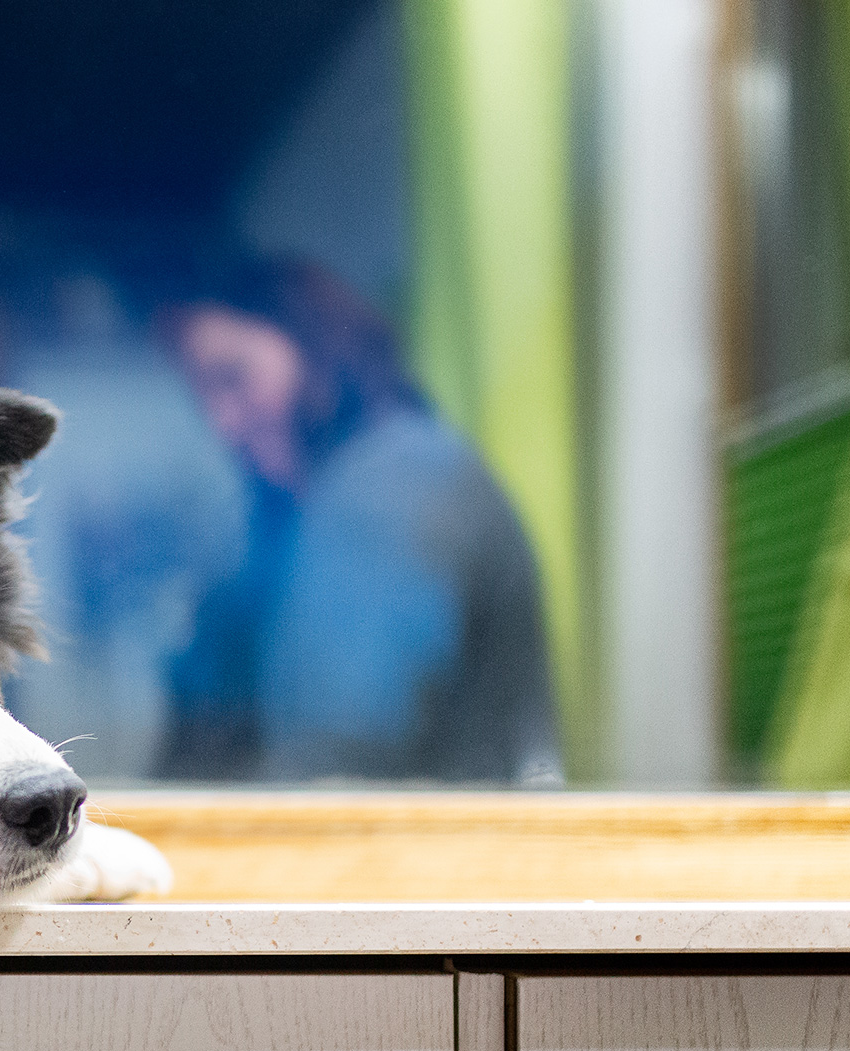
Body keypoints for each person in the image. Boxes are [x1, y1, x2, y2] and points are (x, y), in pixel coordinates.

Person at [154, 258, 559, 783]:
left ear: (317, 347)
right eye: (202, 393)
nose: (223, 420)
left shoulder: (385, 488)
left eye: (234, 377)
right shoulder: (337, 494)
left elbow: (338, 763)